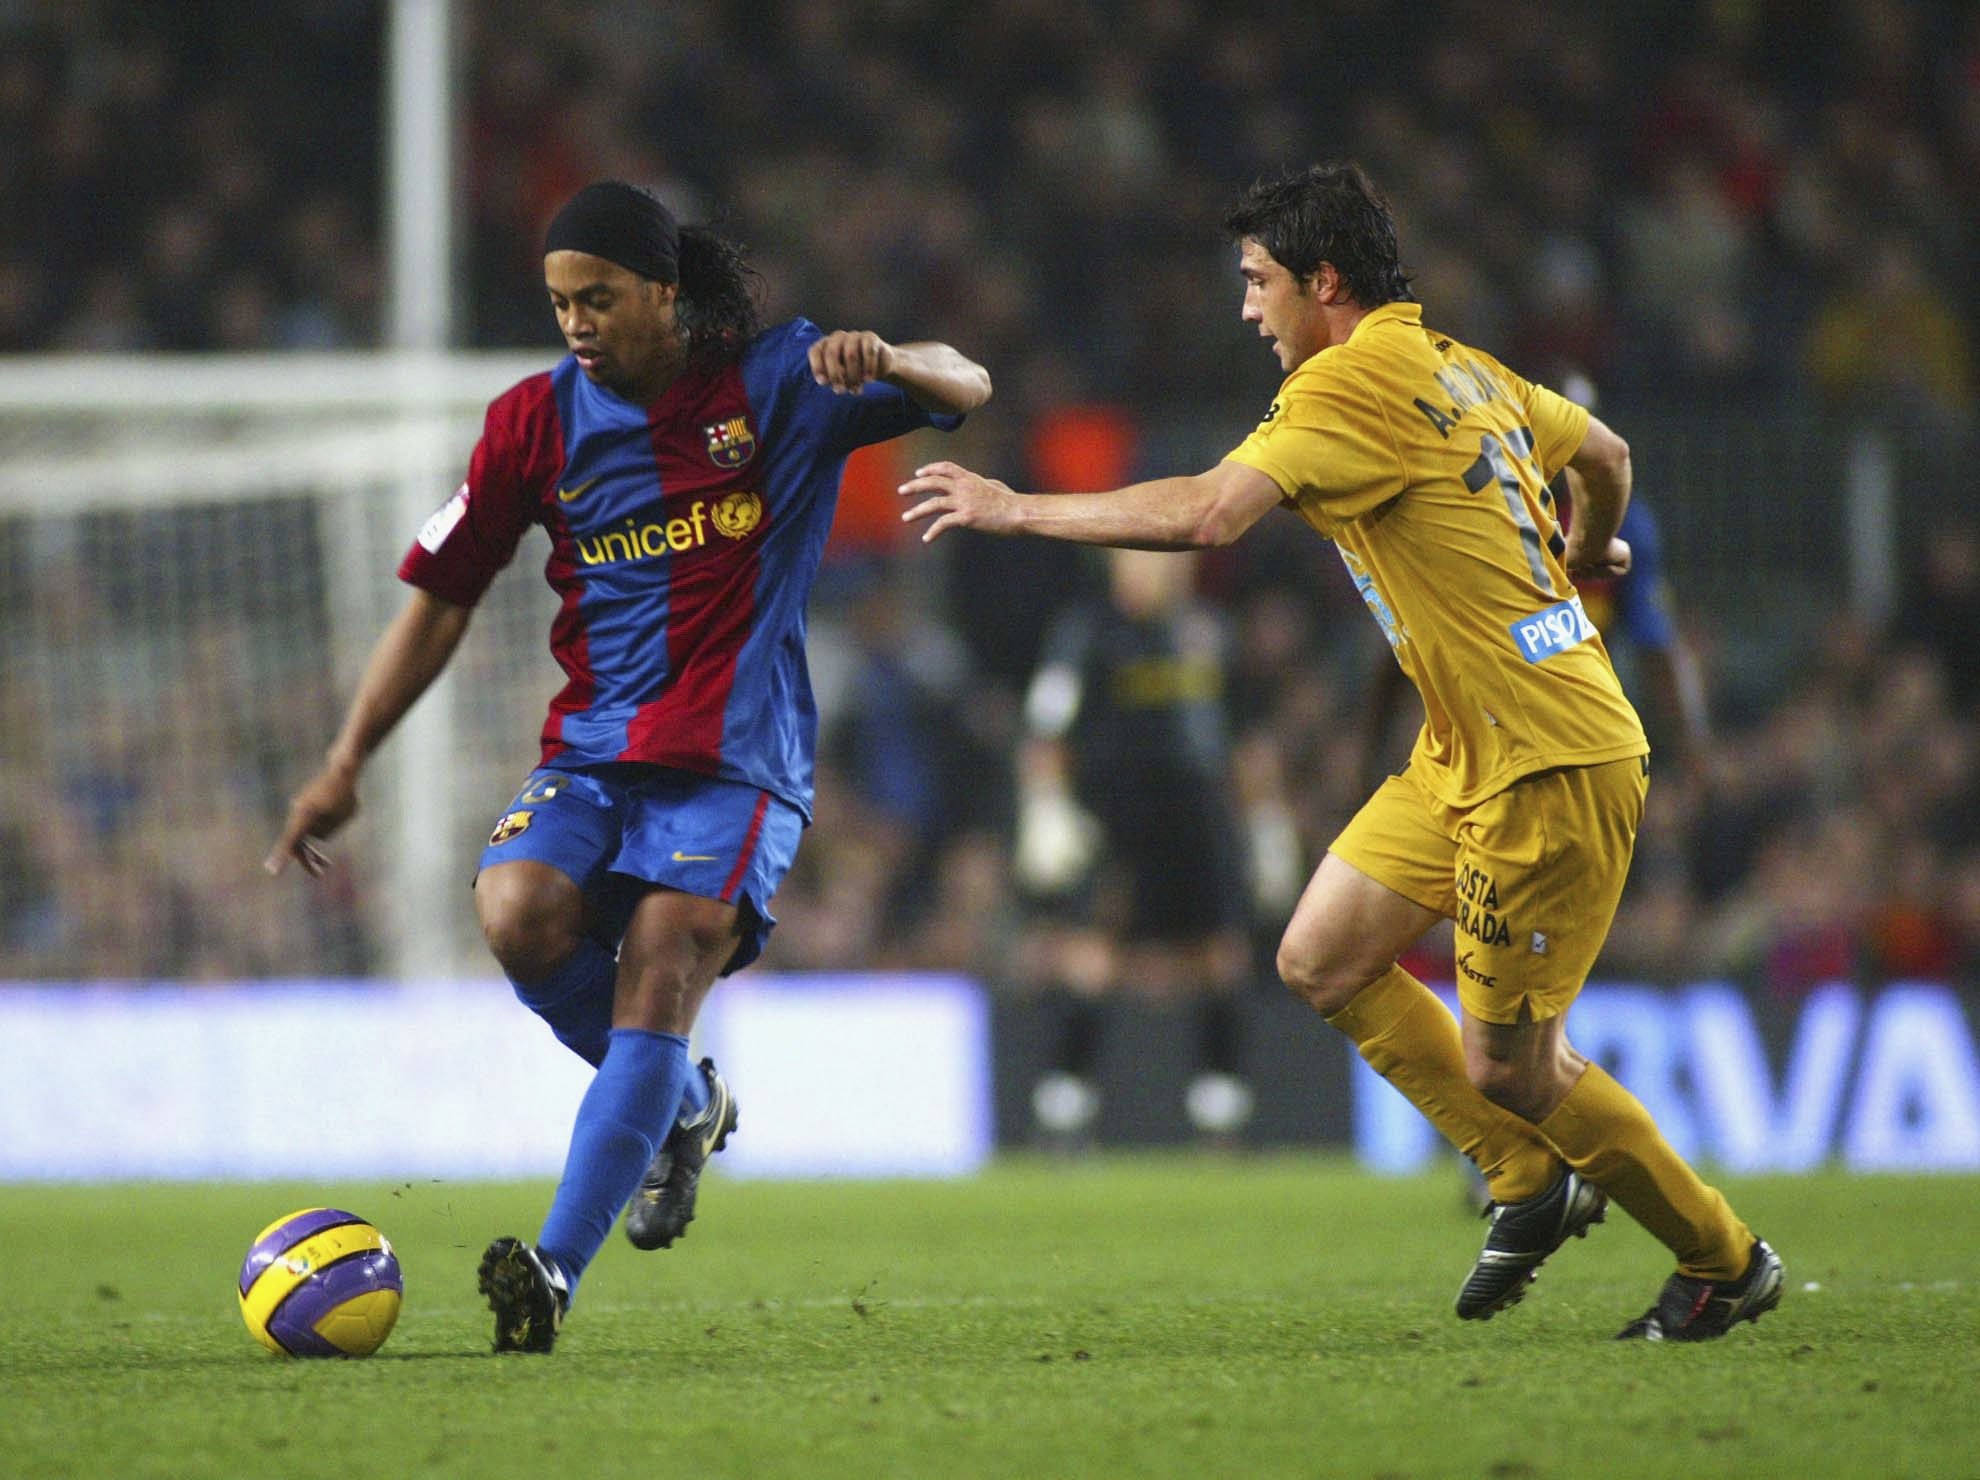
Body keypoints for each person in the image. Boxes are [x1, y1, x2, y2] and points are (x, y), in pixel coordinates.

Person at [902, 162, 1780, 1342]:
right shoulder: (1463, 362)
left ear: (1325, 282)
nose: (1249, 308)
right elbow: (1608, 456)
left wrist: (1018, 508)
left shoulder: (1347, 388)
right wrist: (1584, 551)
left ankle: (1724, 1257)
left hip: (1547, 757)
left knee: (1516, 1065)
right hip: (1468, 748)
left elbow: (1207, 514)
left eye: (1260, 282)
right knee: (1319, 954)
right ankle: (1526, 1178)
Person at [267, 180, 990, 1353]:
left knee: (658, 974)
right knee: (514, 909)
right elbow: (443, 599)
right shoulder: (531, 423)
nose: (576, 323)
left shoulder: (780, 382)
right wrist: (348, 758)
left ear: (665, 293)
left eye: (597, 298)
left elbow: (972, 382)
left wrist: (898, 358)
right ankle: (685, 1102)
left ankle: (550, 1272)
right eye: (560, 302)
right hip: (595, 754)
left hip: (738, 767)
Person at [1017, 547, 1255, 1148]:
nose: (1151, 570)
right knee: (1092, 957)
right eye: (1137, 558)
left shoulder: (1208, 632)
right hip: (1114, 819)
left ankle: (1219, 1103)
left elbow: (1244, 736)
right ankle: (1065, 1102)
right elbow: (1046, 730)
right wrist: (1045, 808)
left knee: (1221, 955)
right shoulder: (1086, 633)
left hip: (1197, 818)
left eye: (1162, 558)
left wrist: (1265, 817)